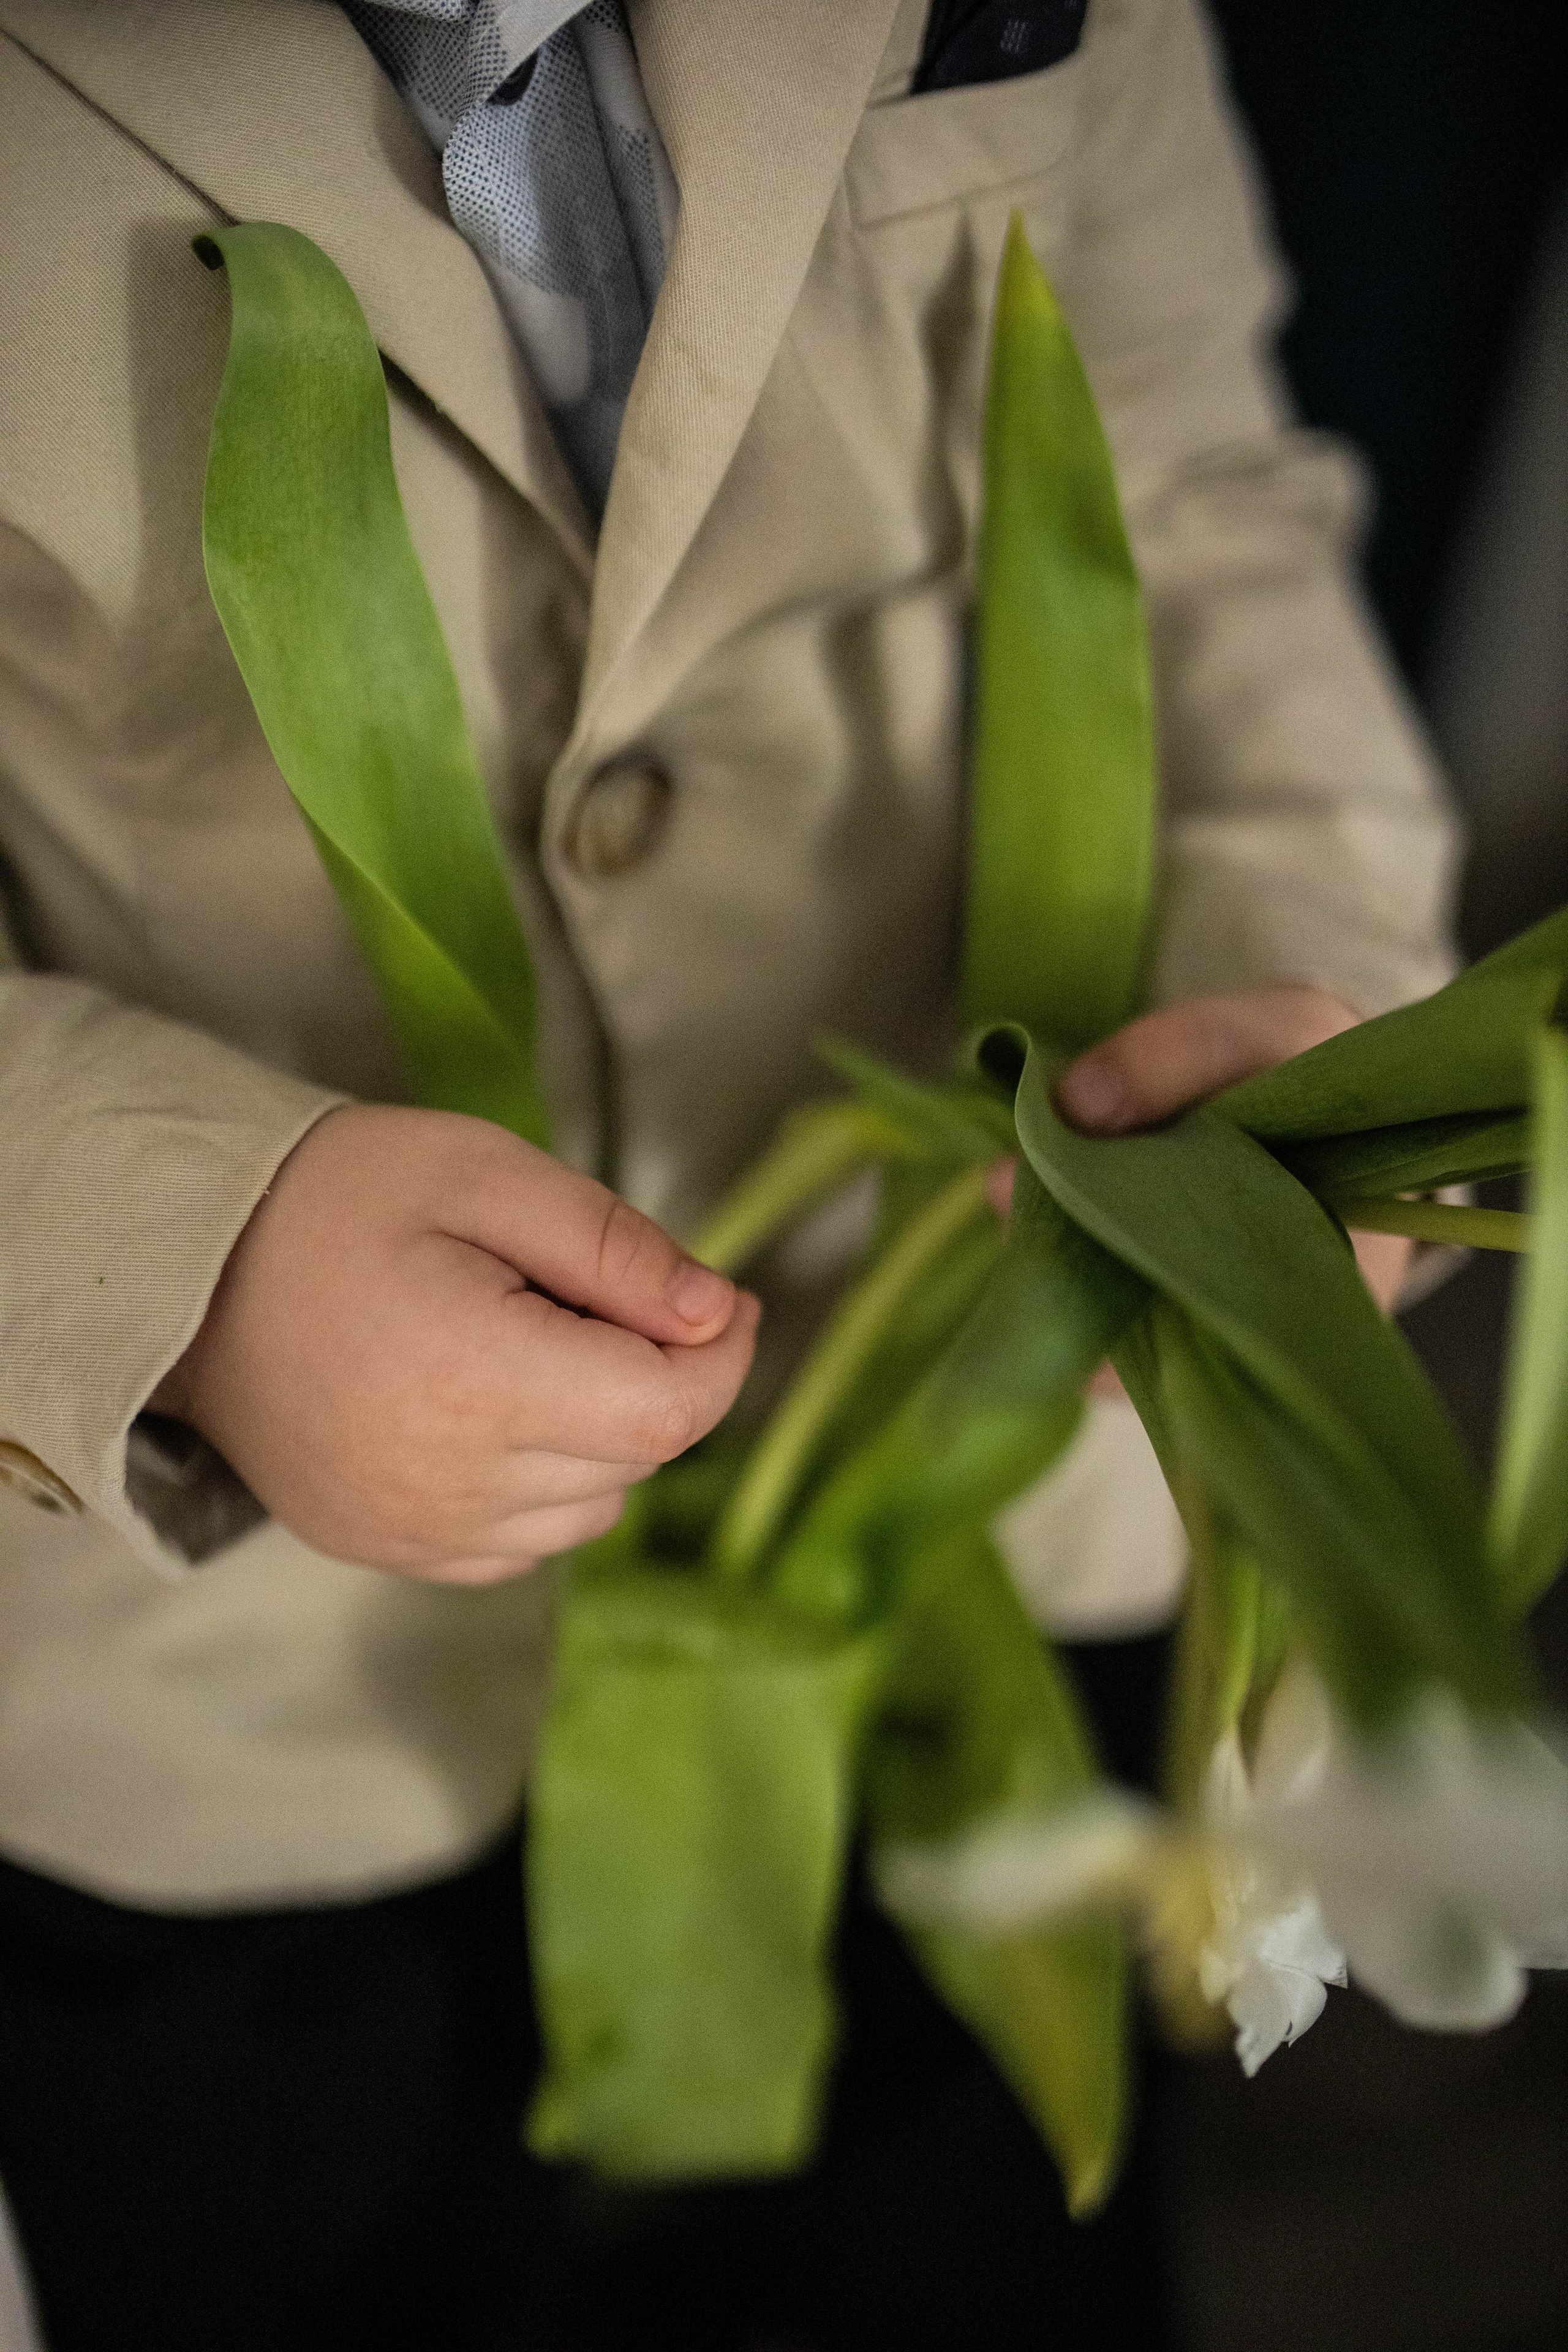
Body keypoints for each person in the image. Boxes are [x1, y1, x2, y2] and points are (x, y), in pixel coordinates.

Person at [0, 0, 1448, 2343]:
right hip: (224, 1675)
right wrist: (181, 1257)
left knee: (979, 2238)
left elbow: (1200, 488)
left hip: (993, 1456)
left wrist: (1313, 990)